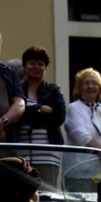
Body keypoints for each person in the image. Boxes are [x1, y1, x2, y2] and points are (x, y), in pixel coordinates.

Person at [16, 46, 67, 188]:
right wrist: (40, 109)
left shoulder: (54, 90)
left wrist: (28, 111)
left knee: (48, 199)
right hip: (21, 156)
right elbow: (16, 115)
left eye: (41, 64)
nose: (36, 67)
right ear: (24, 66)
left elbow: (59, 117)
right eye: (32, 63)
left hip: (49, 157)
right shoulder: (16, 89)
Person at [64, 68, 101, 156]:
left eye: (94, 83)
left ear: (99, 88)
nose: (91, 86)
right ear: (79, 88)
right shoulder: (74, 108)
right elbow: (82, 137)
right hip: (81, 166)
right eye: (86, 83)